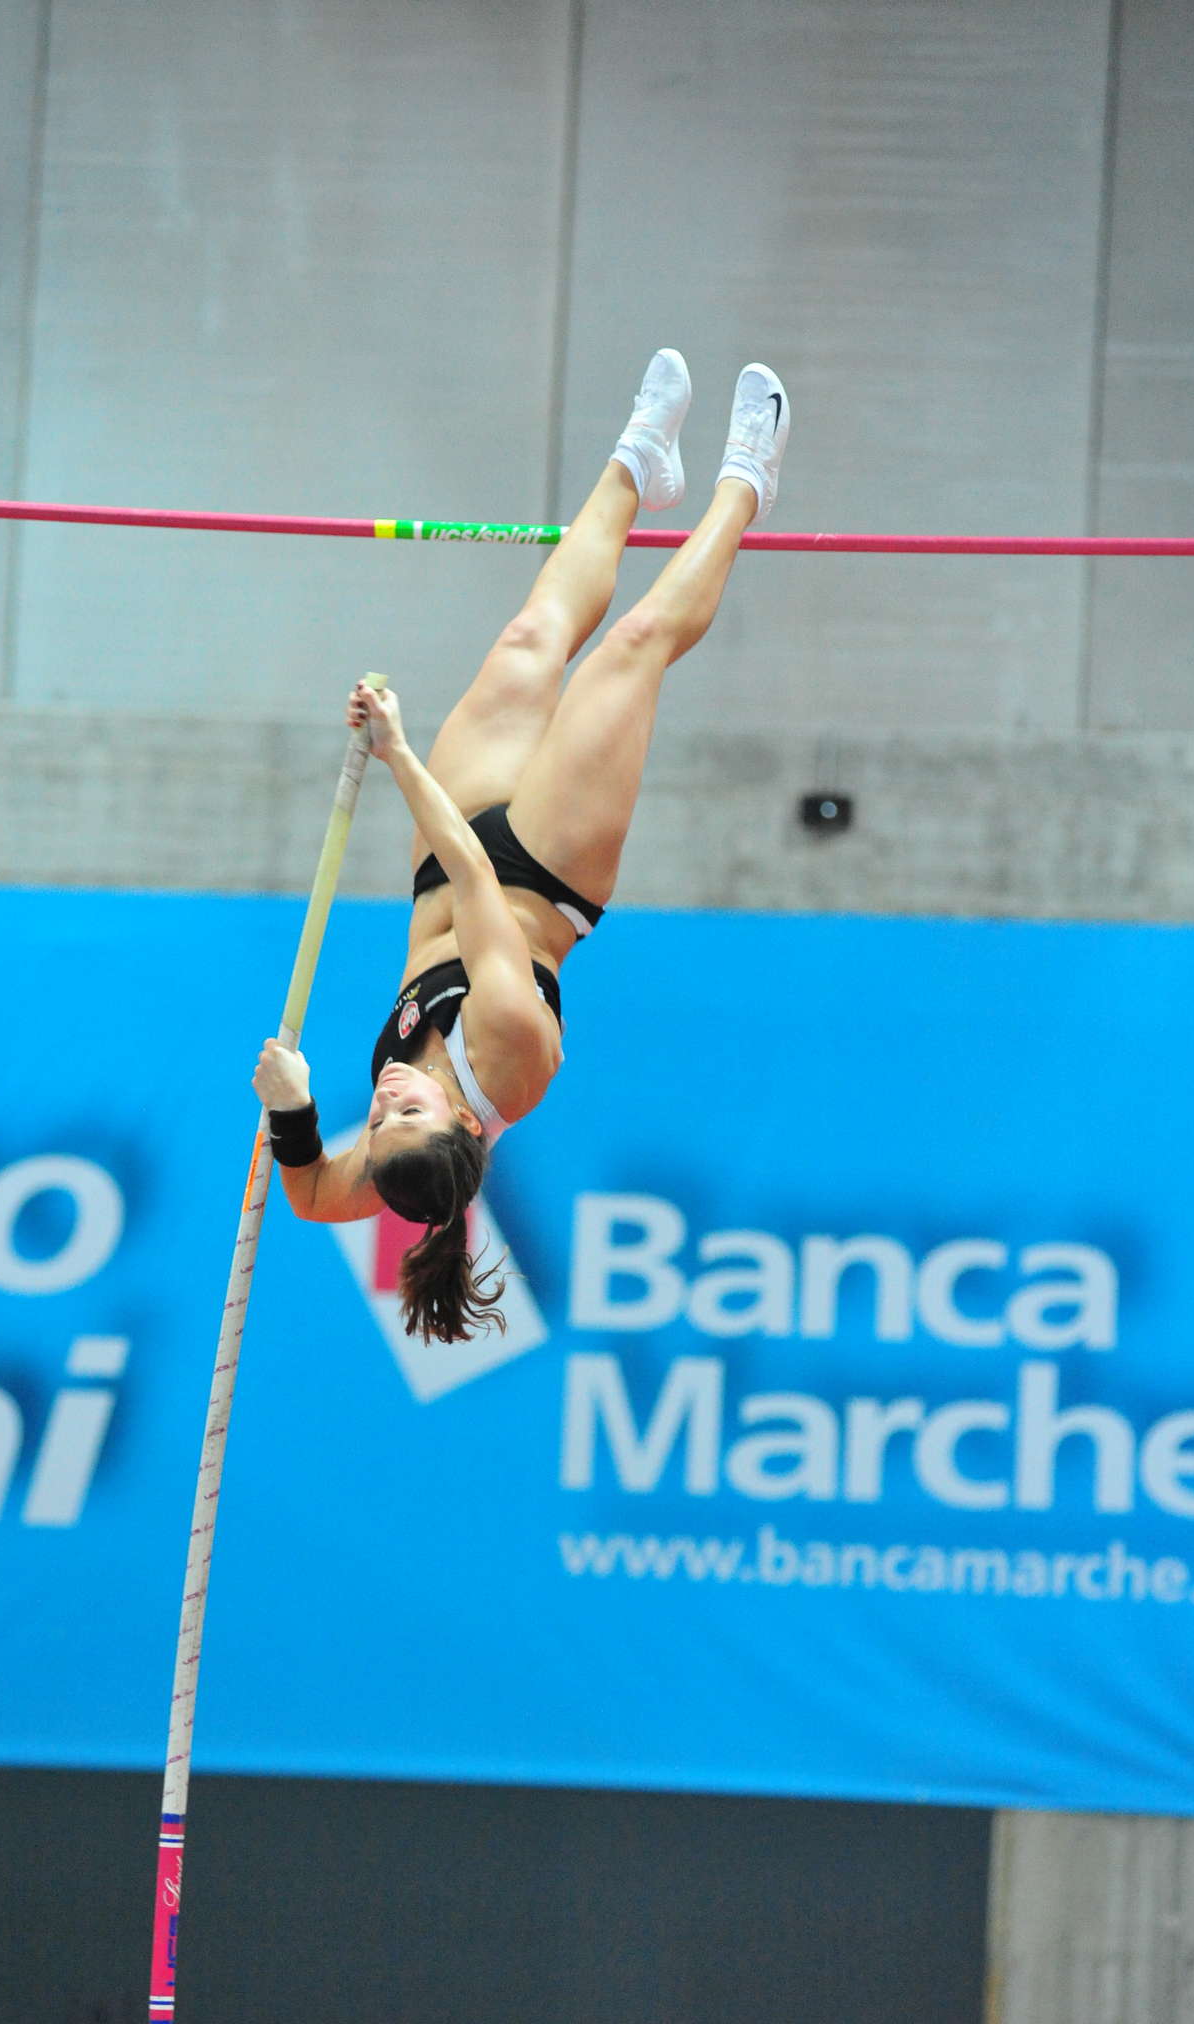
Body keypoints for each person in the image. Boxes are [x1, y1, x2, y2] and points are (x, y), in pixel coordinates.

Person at [252, 349, 790, 1343]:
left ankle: (639, 460)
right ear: (466, 1123)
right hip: (543, 870)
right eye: (408, 1113)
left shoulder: (392, 1158)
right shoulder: (509, 1055)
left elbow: (315, 1197)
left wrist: (292, 1113)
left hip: (447, 856)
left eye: (378, 1121)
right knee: (632, 648)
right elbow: (474, 873)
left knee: (530, 638)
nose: (386, 1101)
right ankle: (748, 480)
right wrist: (397, 751)